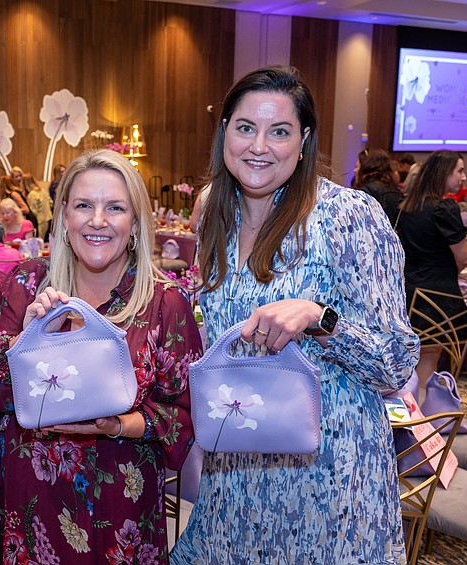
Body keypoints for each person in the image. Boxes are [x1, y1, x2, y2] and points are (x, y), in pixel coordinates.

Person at [172, 66, 419, 564]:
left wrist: (319, 317)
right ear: (224, 132)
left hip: (327, 482)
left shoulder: (347, 216)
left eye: (279, 131)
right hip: (237, 476)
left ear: (304, 140)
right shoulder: (217, 222)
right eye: (245, 128)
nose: (259, 145)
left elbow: (396, 363)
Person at [0, 149, 201, 563]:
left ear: (134, 224)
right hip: (30, 508)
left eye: (115, 207)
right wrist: (26, 341)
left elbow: (185, 413)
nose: (97, 220)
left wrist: (120, 425)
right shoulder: (27, 282)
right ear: (63, 217)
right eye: (83, 206)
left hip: (121, 513)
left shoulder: (165, 303)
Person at [394, 150, 467, 392]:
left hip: (409, 291)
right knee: (429, 358)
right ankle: (422, 418)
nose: (464, 177)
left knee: (412, 358)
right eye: (460, 171)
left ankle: (411, 414)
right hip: (438, 294)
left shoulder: (407, 206)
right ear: (443, 173)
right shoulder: (444, 208)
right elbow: (463, 258)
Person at [354, 148, 403, 225]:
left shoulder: (365, 193)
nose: (355, 170)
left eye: (357, 166)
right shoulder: (395, 189)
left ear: (367, 168)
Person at [0, 166, 37, 230]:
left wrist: (13, 211)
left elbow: (26, 210)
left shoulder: (14, 194)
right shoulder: (14, 193)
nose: (19, 178)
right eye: (16, 177)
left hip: (28, 220)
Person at [22, 173, 52, 241]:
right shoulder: (42, 190)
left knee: (39, 242)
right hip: (47, 218)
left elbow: (32, 212)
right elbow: (50, 202)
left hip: (39, 221)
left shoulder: (32, 194)